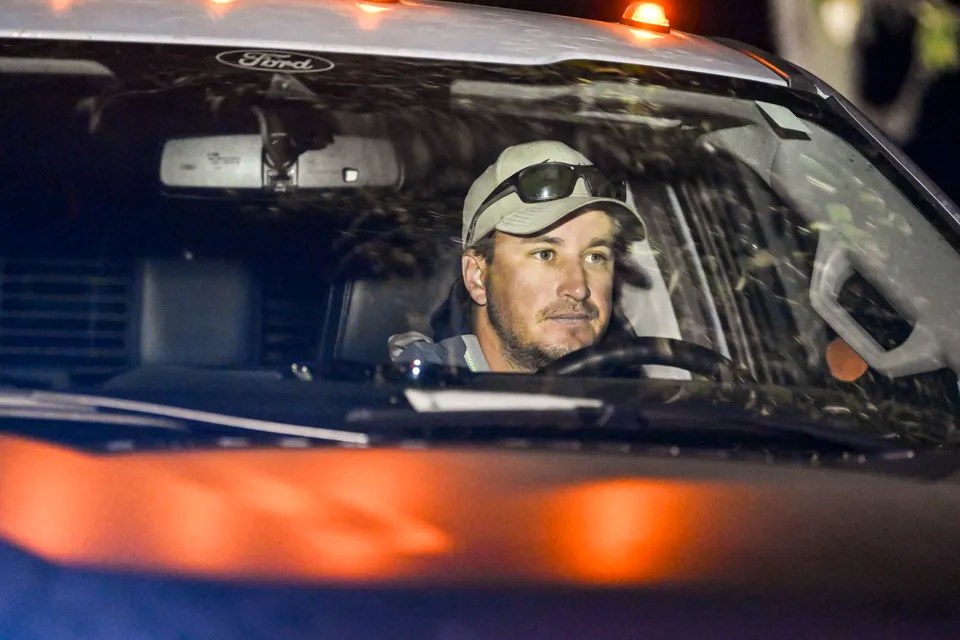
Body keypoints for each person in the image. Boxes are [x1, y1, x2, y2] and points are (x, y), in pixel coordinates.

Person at [390, 140, 644, 372]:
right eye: (545, 254)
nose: (578, 289)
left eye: (595, 257)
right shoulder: (417, 397)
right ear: (477, 276)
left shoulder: (641, 393)